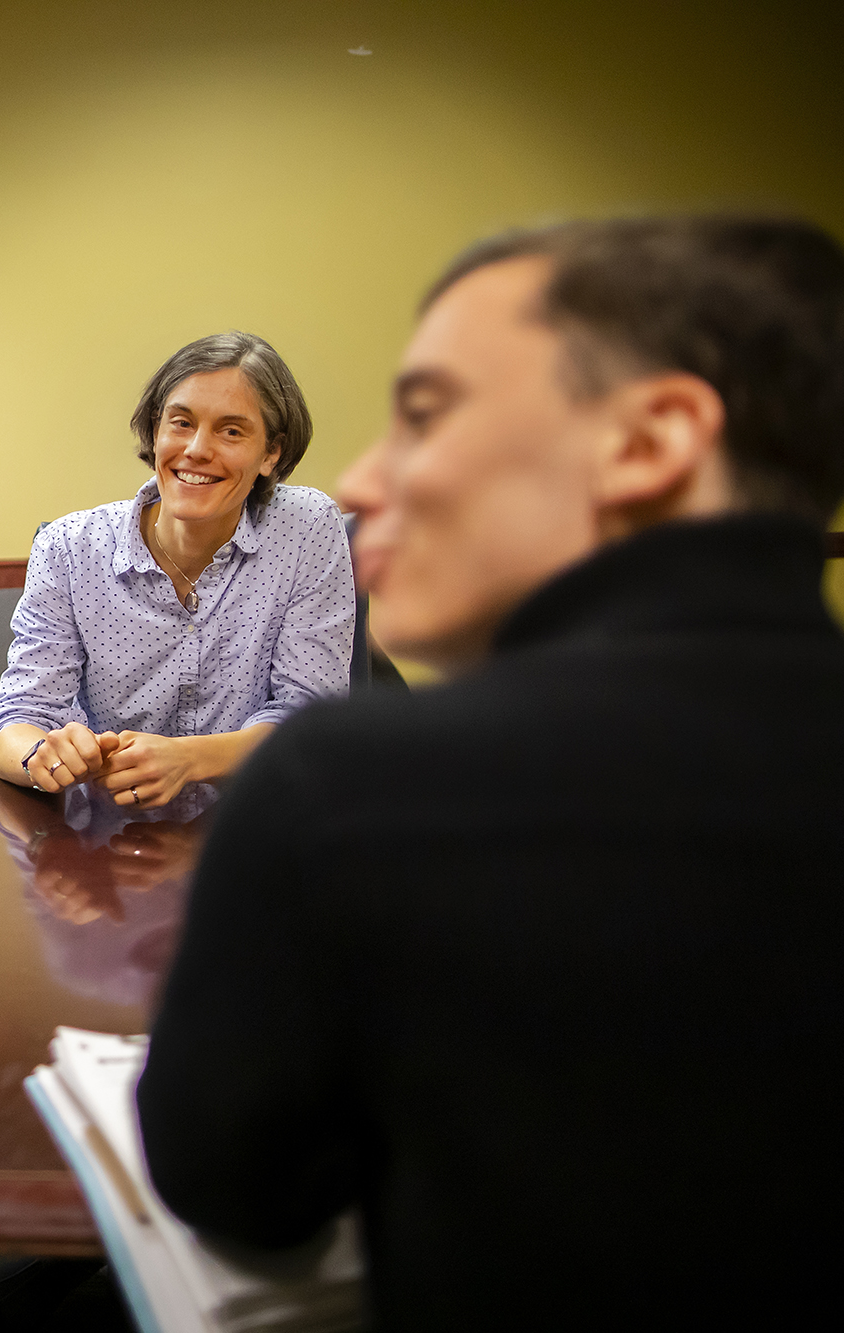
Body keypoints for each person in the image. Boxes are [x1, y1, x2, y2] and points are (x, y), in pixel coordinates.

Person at [137, 216, 844, 1330]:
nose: (363, 481)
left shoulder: (343, 786)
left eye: (423, 413)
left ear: (649, 438)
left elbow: (238, 1189)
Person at [0, 331, 355, 809]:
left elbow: (311, 719)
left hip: (253, 825)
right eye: (181, 422)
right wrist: (42, 753)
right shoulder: (69, 548)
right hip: (105, 834)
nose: (197, 449)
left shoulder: (307, 528)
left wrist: (189, 759)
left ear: (271, 454)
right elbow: (13, 722)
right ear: (156, 431)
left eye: (231, 431)